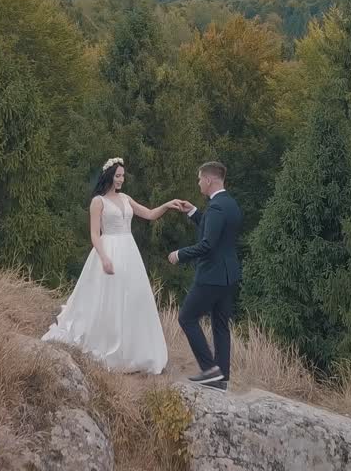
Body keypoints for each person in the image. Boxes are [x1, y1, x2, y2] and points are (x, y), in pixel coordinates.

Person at [42, 157, 183, 374]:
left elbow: (149, 214)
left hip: (129, 251)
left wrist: (167, 205)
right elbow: (94, 234)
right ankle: (107, 344)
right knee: (107, 298)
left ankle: (134, 350)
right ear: (109, 176)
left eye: (123, 176)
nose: (121, 180)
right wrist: (104, 257)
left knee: (132, 296)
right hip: (109, 247)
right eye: (118, 176)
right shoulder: (98, 202)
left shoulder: (125, 198)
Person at [168, 161, 242, 391]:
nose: (198, 183)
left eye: (200, 179)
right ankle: (221, 378)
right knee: (221, 326)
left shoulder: (216, 208)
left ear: (209, 180)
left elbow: (208, 244)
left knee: (187, 318)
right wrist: (193, 212)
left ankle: (210, 370)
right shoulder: (229, 204)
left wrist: (180, 254)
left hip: (211, 276)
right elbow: (215, 232)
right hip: (229, 276)